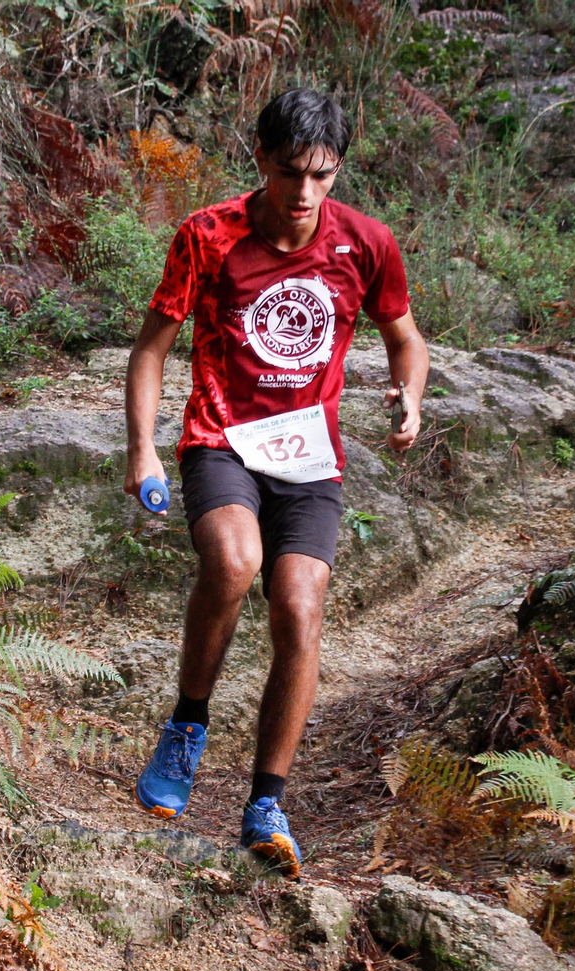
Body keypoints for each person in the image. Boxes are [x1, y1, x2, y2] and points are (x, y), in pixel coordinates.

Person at [124, 88, 429, 880]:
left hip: (309, 457)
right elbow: (152, 350)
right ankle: (188, 725)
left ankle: (266, 801)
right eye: (291, 172)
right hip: (221, 437)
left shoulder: (367, 243)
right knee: (232, 561)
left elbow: (405, 338)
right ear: (259, 157)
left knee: (299, 604)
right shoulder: (207, 235)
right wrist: (142, 451)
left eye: (322, 176)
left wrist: (410, 395)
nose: (305, 194)